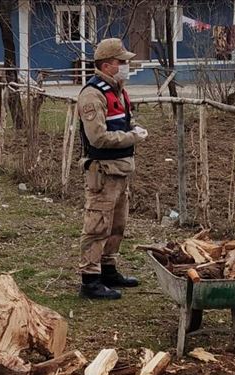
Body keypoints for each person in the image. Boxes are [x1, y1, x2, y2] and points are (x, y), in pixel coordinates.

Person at [76, 38, 148, 300]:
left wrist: (133, 128)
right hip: (103, 171)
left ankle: (108, 269)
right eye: (122, 62)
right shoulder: (92, 95)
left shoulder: (118, 90)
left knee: (117, 224)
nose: (126, 65)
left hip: (121, 169)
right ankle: (90, 279)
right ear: (107, 65)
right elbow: (98, 138)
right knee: (97, 225)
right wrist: (133, 137)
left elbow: (123, 122)